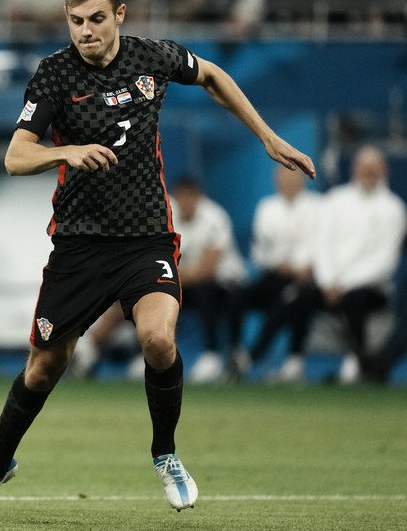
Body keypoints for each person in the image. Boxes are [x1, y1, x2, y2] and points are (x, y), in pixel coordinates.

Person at [0, 0, 315, 518]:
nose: (86, 31)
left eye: (96, 19)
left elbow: (211, 75)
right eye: (75, 21)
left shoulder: (150, 58)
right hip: (80, 244)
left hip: (146, 238)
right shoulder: (53, 75)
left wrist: (266, 135)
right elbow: (15, 156)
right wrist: (63, 152)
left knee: (158, 340)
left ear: (119, 14)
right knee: (43, 368)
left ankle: (165, 454)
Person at [288, 145, 406, 383]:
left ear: (384, 171)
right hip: (330, 283)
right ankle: (293, 361)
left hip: (370, 288)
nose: (369, 173)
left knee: (355, 300)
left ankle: (358, 360)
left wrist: (343, 285)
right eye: (365, 168)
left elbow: (385, 262)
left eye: (374, 168)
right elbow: (322, 244)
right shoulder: (336, 200)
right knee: (298, 297)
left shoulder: (394, 209)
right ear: (355, 169)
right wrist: (328, 281)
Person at [227, 165, 322, 383]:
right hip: (274, 275)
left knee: (289, 302)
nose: (288, 183)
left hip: (307, 279)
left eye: (293, 178)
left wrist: (303, 266)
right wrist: (279, 263)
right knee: (237, 296)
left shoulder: (318, 207)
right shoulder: (266, 208)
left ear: (303, 180)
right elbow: (261, 250)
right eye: (283, 178)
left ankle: (257, 358)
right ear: (276, 181)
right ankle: (235, 353)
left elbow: (321, 244)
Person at [170, 177, 247, 384]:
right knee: (151, 295)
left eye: (190, 197)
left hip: (226, 282)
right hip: (185, 283)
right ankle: (151, 354)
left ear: (198, 197)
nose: (185, 202)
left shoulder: (215, 217)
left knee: (207, 291)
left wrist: (171, 279)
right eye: (181, 197)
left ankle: (213, 355)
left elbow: (208, 270)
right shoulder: (168, 215)